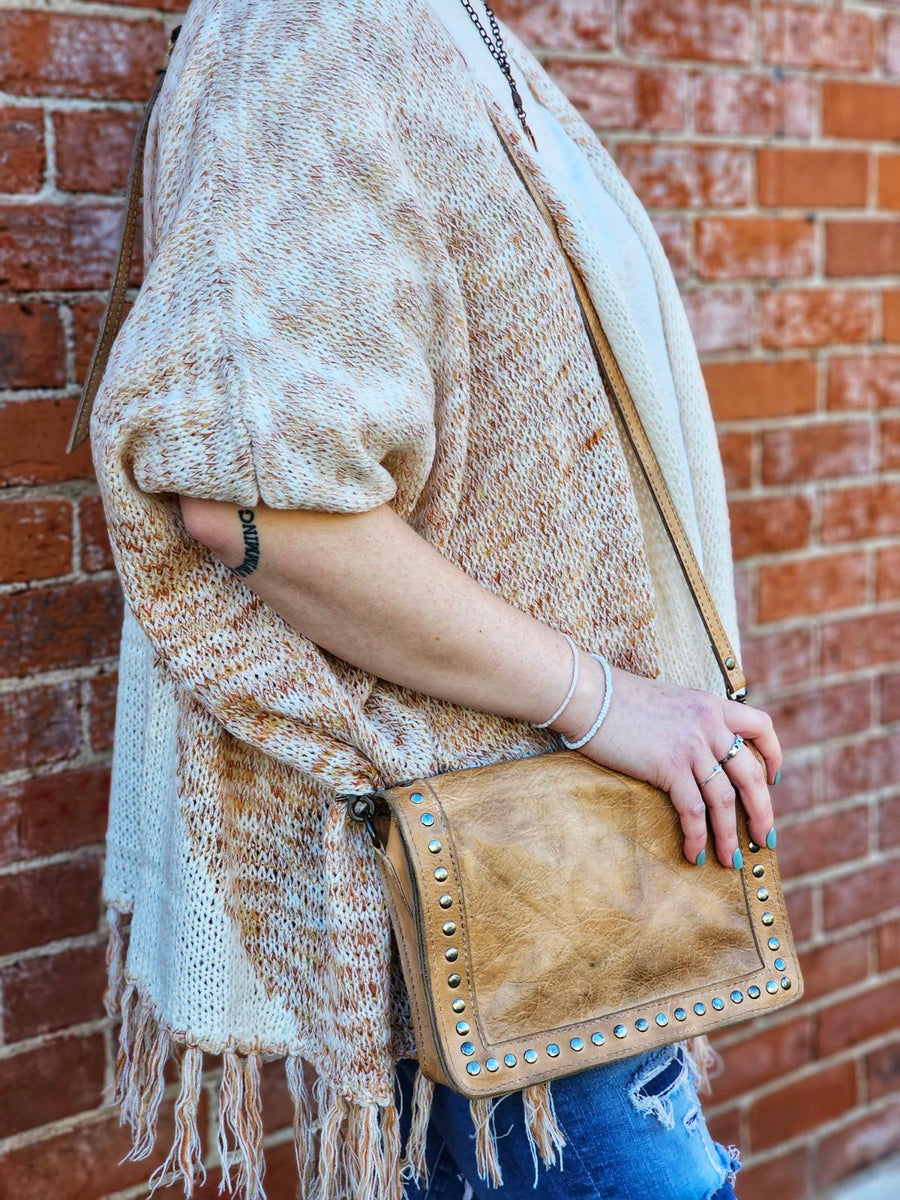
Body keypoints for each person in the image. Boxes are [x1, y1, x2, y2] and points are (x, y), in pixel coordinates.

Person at [87, 1, 781, 1197]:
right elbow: (263, 502)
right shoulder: (314, 27)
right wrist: (606, 701)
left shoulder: (449, 31)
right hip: (493, 872)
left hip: (569, 867)